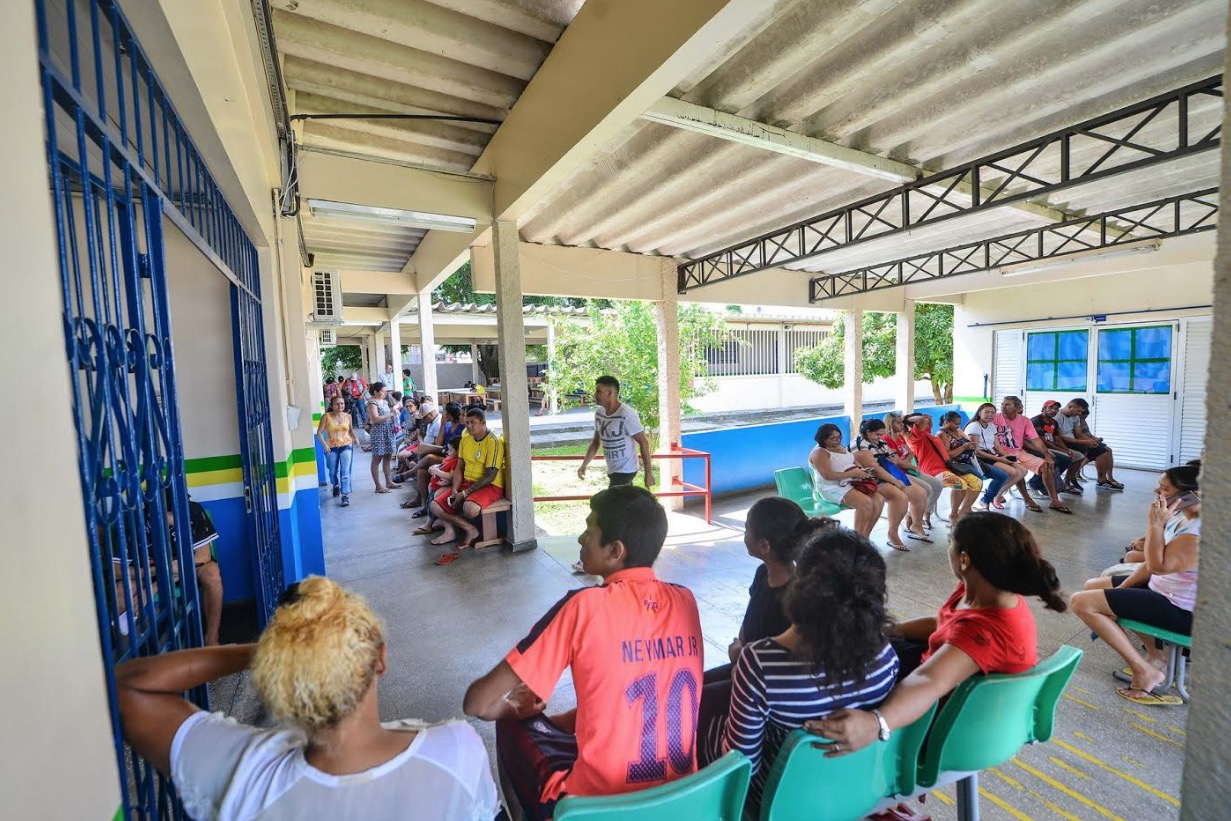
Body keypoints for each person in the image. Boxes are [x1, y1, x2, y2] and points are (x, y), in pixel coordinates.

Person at [114, 576, 500, 819]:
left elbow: (128, 686)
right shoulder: (456, 753)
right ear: (380, 659)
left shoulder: (246, 776)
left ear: (279, 672)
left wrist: (275, 649)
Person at [463, 487, 703, 820]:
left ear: (616, 551)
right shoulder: (685, 601)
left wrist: (517, 709)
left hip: (596, 809)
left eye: (590, 531)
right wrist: (561, 723)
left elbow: (478, 703)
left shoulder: (584, 606)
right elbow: (637, 691)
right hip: (681, 801)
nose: (580, 539)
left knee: (509, 721)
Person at [805, 513, 1066, 756]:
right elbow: (941, 624)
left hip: (945, 721)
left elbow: (928, 680)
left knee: (841, 689)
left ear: (964, 559)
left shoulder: (984, 631)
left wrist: (877, 722)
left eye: (951, 543)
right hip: (944, 673)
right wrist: (891, 630)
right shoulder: (981, 588)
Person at [721, 527, 899, 813]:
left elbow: (743, 764)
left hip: (778, 803)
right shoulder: (886, 655)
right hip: (858, 789)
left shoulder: (759, 663)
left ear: (800, 587)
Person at [1070, 463, 1200, 705]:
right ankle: (1156, 654)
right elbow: (1151, 566)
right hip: (1163, 588)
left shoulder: (1198, 532)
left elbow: (1156, 566)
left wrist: (1155, 525)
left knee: (1081, 602)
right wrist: (1122, 590)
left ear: (1193, 495)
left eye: (1164, 488)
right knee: (1092, 587)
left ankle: (1144, 670)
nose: (1156, 492)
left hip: (1184, 610)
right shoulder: (1183, 515)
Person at [695, 500, 819, 754]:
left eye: (747, 529)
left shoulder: (796, 598)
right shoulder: (763, 574)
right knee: (694, 686)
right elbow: (750, 618)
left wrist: (741, 657)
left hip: (763, 683)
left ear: (764, 545)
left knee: (698, 703)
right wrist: (740, 646)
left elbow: (785, 661)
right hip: (744, 661)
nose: (744, 535)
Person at [430, 407, 505, 561]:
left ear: (483, 423)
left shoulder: (494, 441)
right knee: (435, 506)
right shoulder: (466, 438)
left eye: (473, 423)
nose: (469, 426)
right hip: (467, 482)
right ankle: (470, 529)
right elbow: (459, 467)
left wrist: (464, 494)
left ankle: (465, 527)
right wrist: (455, 490)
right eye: (467, 422)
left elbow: (490, 475)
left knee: (469, 508)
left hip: (490, 485)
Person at [852, 419, 931, 551]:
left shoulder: (880, 441)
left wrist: (908, 466)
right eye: (877, 435)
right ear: (868, 432)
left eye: (881, 435)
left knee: (921, 493)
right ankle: (892, 533)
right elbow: (876, 469)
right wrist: (895, 481)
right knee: (900, 497)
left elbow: (893, 458)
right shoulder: (860, 447)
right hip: (872, 479)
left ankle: (916, 525)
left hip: (889, 475)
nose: (880, 438)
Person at [994, 396, 1070, 514]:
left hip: (1018, 452)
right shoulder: (995, 418)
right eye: (1002, 404)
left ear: (1018, 407)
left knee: (1046, 465)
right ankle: (1027, 499)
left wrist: (1047, 455)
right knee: (1020, 469)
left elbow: (1036, 439)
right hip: (1000, 453)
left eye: (1007, 404)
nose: (1003, 407)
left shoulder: (1024, 421)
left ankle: (1054, 500)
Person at [577, 376, 656, 489]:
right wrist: (584, 464)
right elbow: (595, 443)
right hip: (612, 469)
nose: (595, 395)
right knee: (623, 504)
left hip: (626, 470)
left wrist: (649, 474)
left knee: (611, 503)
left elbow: (643, 442)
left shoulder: (627, 414)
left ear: (610, 393)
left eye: (599, 391)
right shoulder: (599, 413)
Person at [809, 423, 883, 538]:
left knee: (879, 500)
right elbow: (827, 475)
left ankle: (865, 535)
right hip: (832, 487)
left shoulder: (839, 446)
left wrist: (860, 469)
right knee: (866, 503)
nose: (837, 441)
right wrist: (852, 473)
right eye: (833, 439)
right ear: (823, 439)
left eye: (839, 437)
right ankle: (857, 538)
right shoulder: (819, 453)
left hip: (852, 481)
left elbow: (851, 460)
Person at [907, 413, 979, 525]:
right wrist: (911, 418)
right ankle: (951, 515)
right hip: (933, 470)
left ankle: (962, 512)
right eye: (925, 420)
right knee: (960, 485)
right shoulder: (915, 437)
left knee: (976, 482)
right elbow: (919, 421)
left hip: (947, 467)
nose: (928, 420)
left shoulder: (926, 433)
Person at [883, 411, 940, 531]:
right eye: (898, 423)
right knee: (926, 489)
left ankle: (917, 514)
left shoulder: (899, 436)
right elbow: (896, 461)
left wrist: (905, 461)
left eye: (901, 422)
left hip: (907, 469)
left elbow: (910, 453)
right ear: (890, 424)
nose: (901, 425)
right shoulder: (887, 439)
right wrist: (911, 465)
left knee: (937, 485)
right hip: (899, 473)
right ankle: (914, 520)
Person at [964, 402, 1026, 511]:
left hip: (991, 455)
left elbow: (997, 445)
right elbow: (975, 451)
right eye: (986, 412)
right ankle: (988, 498)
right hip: (979, 458)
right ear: (979, 413)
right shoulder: (974, 426)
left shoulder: (992, 426)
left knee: (1023, 470)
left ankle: (995, 494)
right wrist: (999, 459)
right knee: (1011, 473)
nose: (990, 415)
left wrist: (1006, 456)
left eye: (993, 413)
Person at [1058, 398, 1124, 490]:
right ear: (1070, 407)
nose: (1080, 414)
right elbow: (1059, 438)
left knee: (1103, 450)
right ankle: (1069, 480)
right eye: (1079, 411)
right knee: (1085, 453)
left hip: (1074, 442)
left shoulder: (1076, 417)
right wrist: (1086, 442)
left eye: (1081, 412)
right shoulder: (1057, 417)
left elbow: (1079, 434)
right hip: (1063, 443)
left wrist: (1092, 441)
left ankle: (1102, 480)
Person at [1030, 400, 1082, 495]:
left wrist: (1066, 450)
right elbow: (1042, 440)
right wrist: (1060, 450)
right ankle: (1035, 483)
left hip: (1051, 447)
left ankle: (1043, 482)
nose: (1053, 410)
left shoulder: (1053, 422)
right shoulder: (1036, 421)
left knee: (1067, 458)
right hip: (1037, 447)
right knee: (1057, 459)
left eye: (1056, 409)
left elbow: (1057, 438)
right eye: (1051, 408)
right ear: (1044, 408)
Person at [317, 394, 355, 507]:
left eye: (342, 403)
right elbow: (319, 432)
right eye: (337, 404)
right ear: (332, 405)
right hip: (331, 447)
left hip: (346, 445)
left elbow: (351, 430)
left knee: (345, 471)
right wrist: (324, 445)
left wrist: (356, 438)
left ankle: (345, 495)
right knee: (332, 471)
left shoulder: (348, 416)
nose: (340, 406)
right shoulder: (326, 417)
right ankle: (335, 485)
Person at [366, 382, 397, 493]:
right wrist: (391, 414)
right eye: (383, 391)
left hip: (388, 431)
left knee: (388, 457)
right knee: (377, 458)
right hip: (378, 432)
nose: (385, 393)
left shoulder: (384, 401)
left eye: (386, 391)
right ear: (375, 392)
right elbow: (375, 419)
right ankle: (378, 485)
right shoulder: (372, 403)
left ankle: (388, 481)